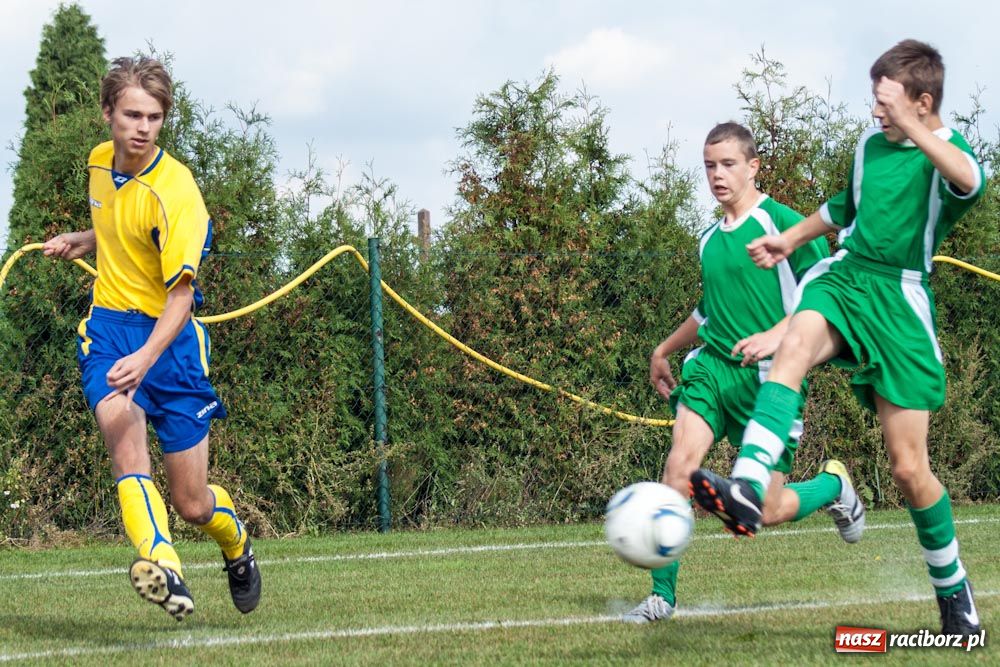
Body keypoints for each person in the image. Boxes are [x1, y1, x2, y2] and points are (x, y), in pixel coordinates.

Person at [691, 40, 984, 635]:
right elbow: (843, 207)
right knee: (792, 350)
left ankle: (954, 596)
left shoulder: (945, 152)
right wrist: (791, 240)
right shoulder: (869, 145)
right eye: (875, 102)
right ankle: (748, 483)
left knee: (908, 468)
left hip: (899, 298)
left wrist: (914, 127)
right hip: (845, 278)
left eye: (888, 103)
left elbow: (970, 180)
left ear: (923, 102)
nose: (877, 114)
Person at [42, 56, 261, 621]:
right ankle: (165, 568)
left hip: (169, 342)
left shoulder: (177, 192)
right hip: (111, 329)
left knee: (191, 502)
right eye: (133, 115)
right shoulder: (98, 165)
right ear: (108, 112)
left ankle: (236, 546)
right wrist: (85, 239)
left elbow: (181, 297)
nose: (143, 128)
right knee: (125, 443)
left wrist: (146, 357)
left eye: (155, 117)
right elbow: (120, 224)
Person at [623, 122, 865, 624]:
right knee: (679, 466)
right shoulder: (709, 239)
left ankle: (833, 487)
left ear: (753, 166)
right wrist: (663, 349)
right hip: (711, 370)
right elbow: (708, 313)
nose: (717, 174)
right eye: (709, 165)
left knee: (767, 510)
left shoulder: (784, 225)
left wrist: (778, 334)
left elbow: (826, 294)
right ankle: (662, 598)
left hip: (770, 382)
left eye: (728, 164)